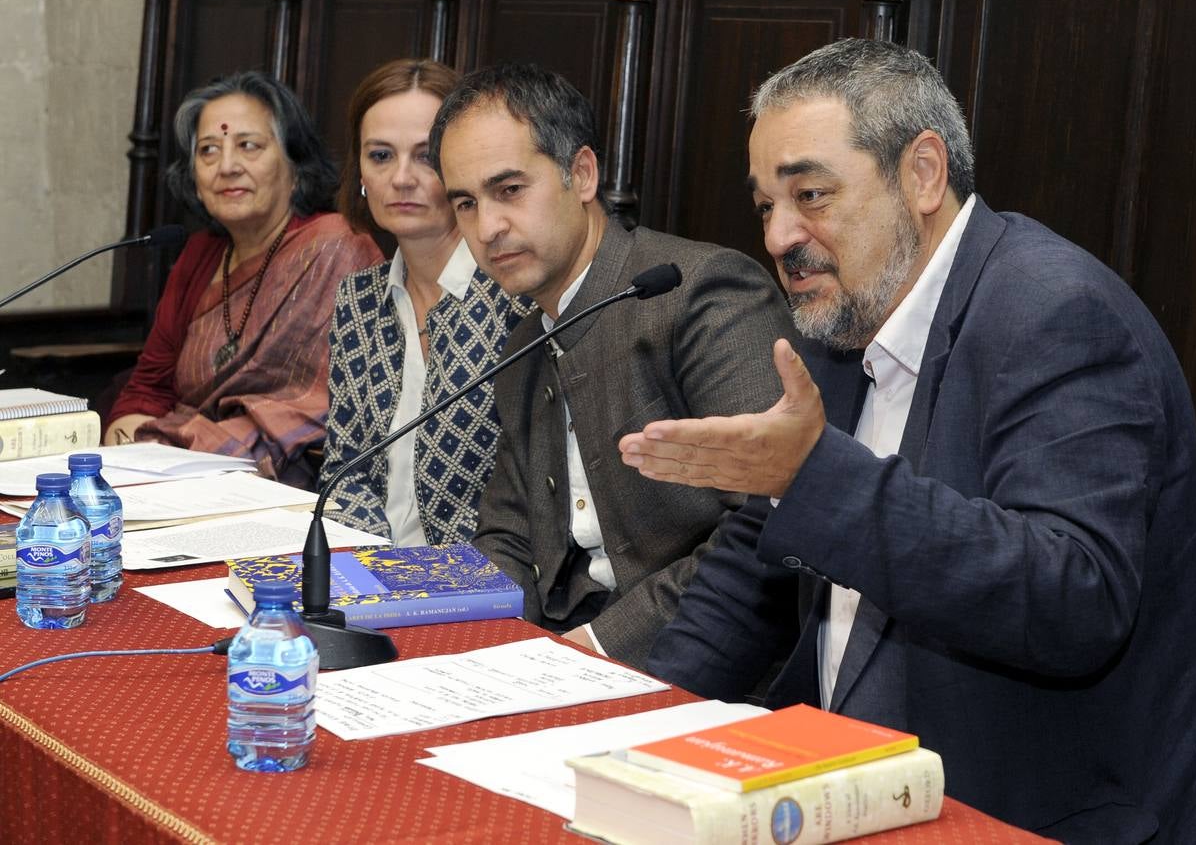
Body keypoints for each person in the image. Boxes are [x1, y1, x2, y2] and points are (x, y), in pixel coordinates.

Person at [621, 39, 1196, 841]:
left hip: (1066, 814)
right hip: (864, 788)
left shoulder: (1056, 313)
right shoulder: (844, 322)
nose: (780, 236)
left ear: (923, 173)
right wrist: (630, 736)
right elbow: (752, 565)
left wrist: (816, 479)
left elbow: (1073, 595)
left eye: (811, 194)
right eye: (765, 205)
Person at [427, 63, 798, 669]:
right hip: (558, 657)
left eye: (510, 189)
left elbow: (765, 528)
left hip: (694, 666)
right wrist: (481, 655)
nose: (487, 227)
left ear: (581, 174)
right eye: (465, 203)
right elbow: (508, 538)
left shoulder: (700, 292)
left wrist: (594, 651)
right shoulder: (522, 341)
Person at [106, 71, 382, 488]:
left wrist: (176, 447)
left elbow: (328, 403)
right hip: (173, 473)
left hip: (284, 482)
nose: (227, 167)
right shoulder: (199, 256)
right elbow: (149, 385)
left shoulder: (337, 248)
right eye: (208, 151)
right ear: (195, 181)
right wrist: (130, 449)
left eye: (248, 146)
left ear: (294, 165)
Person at [321, 59, 532, 545]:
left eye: (425, 156)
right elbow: (344, 472)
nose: (401, 178)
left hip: (482, 579)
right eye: (380, 156)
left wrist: (429, 583)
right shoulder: (359, 298)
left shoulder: (515, 294)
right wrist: (372, 566)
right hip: (371, 573)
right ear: (360, 173)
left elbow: (527, 492)